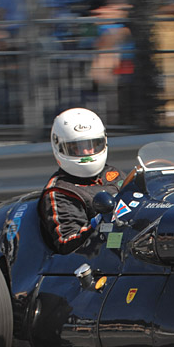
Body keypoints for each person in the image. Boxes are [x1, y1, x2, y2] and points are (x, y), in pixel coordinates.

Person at [39, 108, 123, 253]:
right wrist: (99, 221)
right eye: (76, 148)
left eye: (92, 145)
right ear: (59, 147)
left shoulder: (113, 174)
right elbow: (67, 242)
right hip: (96, 260)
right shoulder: (60, 191)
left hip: (127, 243)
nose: (86, 153)